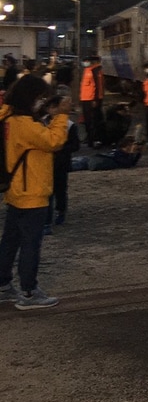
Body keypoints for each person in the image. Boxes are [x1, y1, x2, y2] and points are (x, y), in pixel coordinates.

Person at [0, 74, 71, 309]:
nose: (43, 101)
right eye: (41, 97)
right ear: (31, 97)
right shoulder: (25, 124)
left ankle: (3, 285)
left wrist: (45, 116)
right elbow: (53, 141)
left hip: (16, 190)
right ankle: (29, 293)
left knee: (10, 241)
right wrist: (61, 116)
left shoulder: (9, 117)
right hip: (33, 192)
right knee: (31, 243)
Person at [46, 90, 78, 231]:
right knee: (48, 192)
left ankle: (60, 210)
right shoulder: (42, 121)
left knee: (60, 189)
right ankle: (47, 218)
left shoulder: (69, 125)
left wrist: (61, 148)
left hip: (61, 162)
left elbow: (75, 145)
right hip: (46, 162)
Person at [79, 53, 105, 147]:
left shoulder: (95, 70)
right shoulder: (88, 70)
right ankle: (89, 139)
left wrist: (95, 100)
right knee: (88, 120)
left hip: (91, 99)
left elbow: (98, 86)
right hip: (86, 98)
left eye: (87, 61)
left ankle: (94, 139)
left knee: (93, 120)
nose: (86, 62)